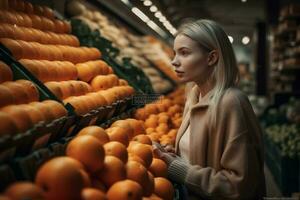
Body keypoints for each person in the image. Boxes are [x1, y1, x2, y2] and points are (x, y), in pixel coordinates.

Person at [153, 19, 266, 200]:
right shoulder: (194, 97)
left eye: (184, 53)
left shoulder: (231, 103)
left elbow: (237, 186)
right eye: (175, 53)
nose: (174, 61)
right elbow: (200, 161)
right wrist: (176, 157)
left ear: (211, 58)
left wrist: (179, 169)